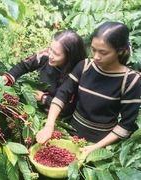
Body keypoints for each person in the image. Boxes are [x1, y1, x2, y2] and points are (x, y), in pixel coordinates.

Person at [36, 21, 141, 157]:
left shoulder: (131, 81)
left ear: (120, 51)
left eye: (103, 52)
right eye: (93, 49)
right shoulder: (84, 66)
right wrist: (49, 126)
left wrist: (94, 149)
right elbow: (62, 95)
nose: (96, 56)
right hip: (70, 133)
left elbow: (125, 125)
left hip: (102, 144)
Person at [3, 30, 88, 117]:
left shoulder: (77, 73)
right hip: (38, 109)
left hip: (59, 117)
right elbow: (24, 65)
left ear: (70, 57)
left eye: (56, 54)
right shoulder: (46, 54)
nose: (50, 55)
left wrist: (44, 98)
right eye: (50, 49)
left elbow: (69, 107)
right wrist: (8, 77)